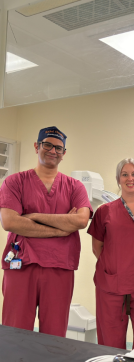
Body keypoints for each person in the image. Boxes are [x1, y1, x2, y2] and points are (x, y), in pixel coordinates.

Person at [0, 126, 92, 337]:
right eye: (48, 145)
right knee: (15, 332)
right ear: (37, 146)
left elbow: (80, 220)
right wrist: (60, 230)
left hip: (59, 266)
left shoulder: (75, 187)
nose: (53, 151)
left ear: (64, 153)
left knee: (54, 336)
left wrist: (33, 216)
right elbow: (10, 222)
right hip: (21, 264)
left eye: (59, 148)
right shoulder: (14, 182)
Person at [87, 158, 134, 349]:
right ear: (118, 179)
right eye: (124, 174)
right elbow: (97, 248)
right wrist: (114, 269)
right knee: (110, 344)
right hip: (110, 286)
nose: (130, 178)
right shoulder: (104, 212)